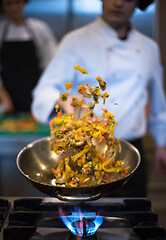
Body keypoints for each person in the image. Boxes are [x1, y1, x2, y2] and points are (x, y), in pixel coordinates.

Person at [31, 0, 166, 197]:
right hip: (84, 155)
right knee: (84, 222)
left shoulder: (149, 48)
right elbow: (43, 92)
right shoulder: (74, 41)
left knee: (132, 220)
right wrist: (63, 100)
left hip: (130, 155)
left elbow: (158, 105)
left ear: (138, 2)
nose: (118, 3)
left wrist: (162, 143)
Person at [0, 0, 57, 113]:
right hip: (6, 98)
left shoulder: (40, 28)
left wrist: (46, 93)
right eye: (8, 4)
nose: (14, 8)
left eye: (17, 2)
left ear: (24, 3)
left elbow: (51, 64)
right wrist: (3, 95)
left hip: (36, 93)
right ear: (3, 6)